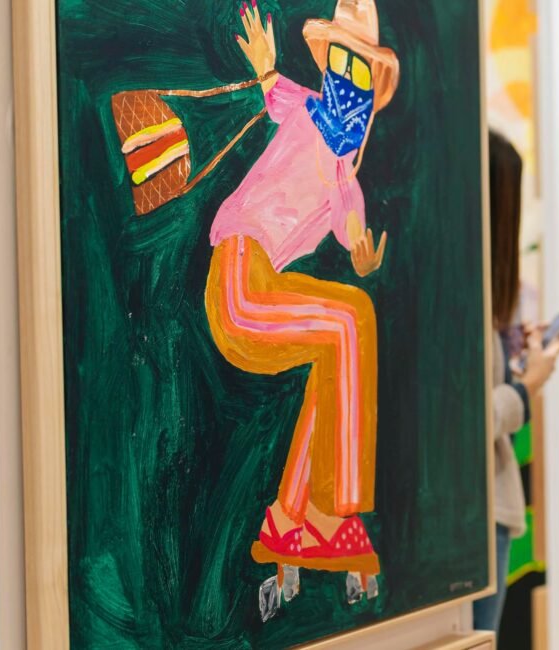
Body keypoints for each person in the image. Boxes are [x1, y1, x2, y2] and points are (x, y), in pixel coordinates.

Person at [201, 0, 399, 610]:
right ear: (328, 67)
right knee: (349, 320)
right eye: (341, 64)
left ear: (374, 88)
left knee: (338, 350)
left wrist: (363, 259)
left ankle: (296, 517)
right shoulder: (304, 109)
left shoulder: (346, 183)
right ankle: (337, 510)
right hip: (238, 283)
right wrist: (265, 65)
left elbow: (353, 234)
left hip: (260, 293)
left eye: (360, 71)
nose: (348, 81)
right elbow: (272, 90)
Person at [473, 131, 559, 633]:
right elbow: (471, 420)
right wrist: (528, 386)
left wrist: (515, 362)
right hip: (481, 509)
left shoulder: (473, 292)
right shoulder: (466, 296)